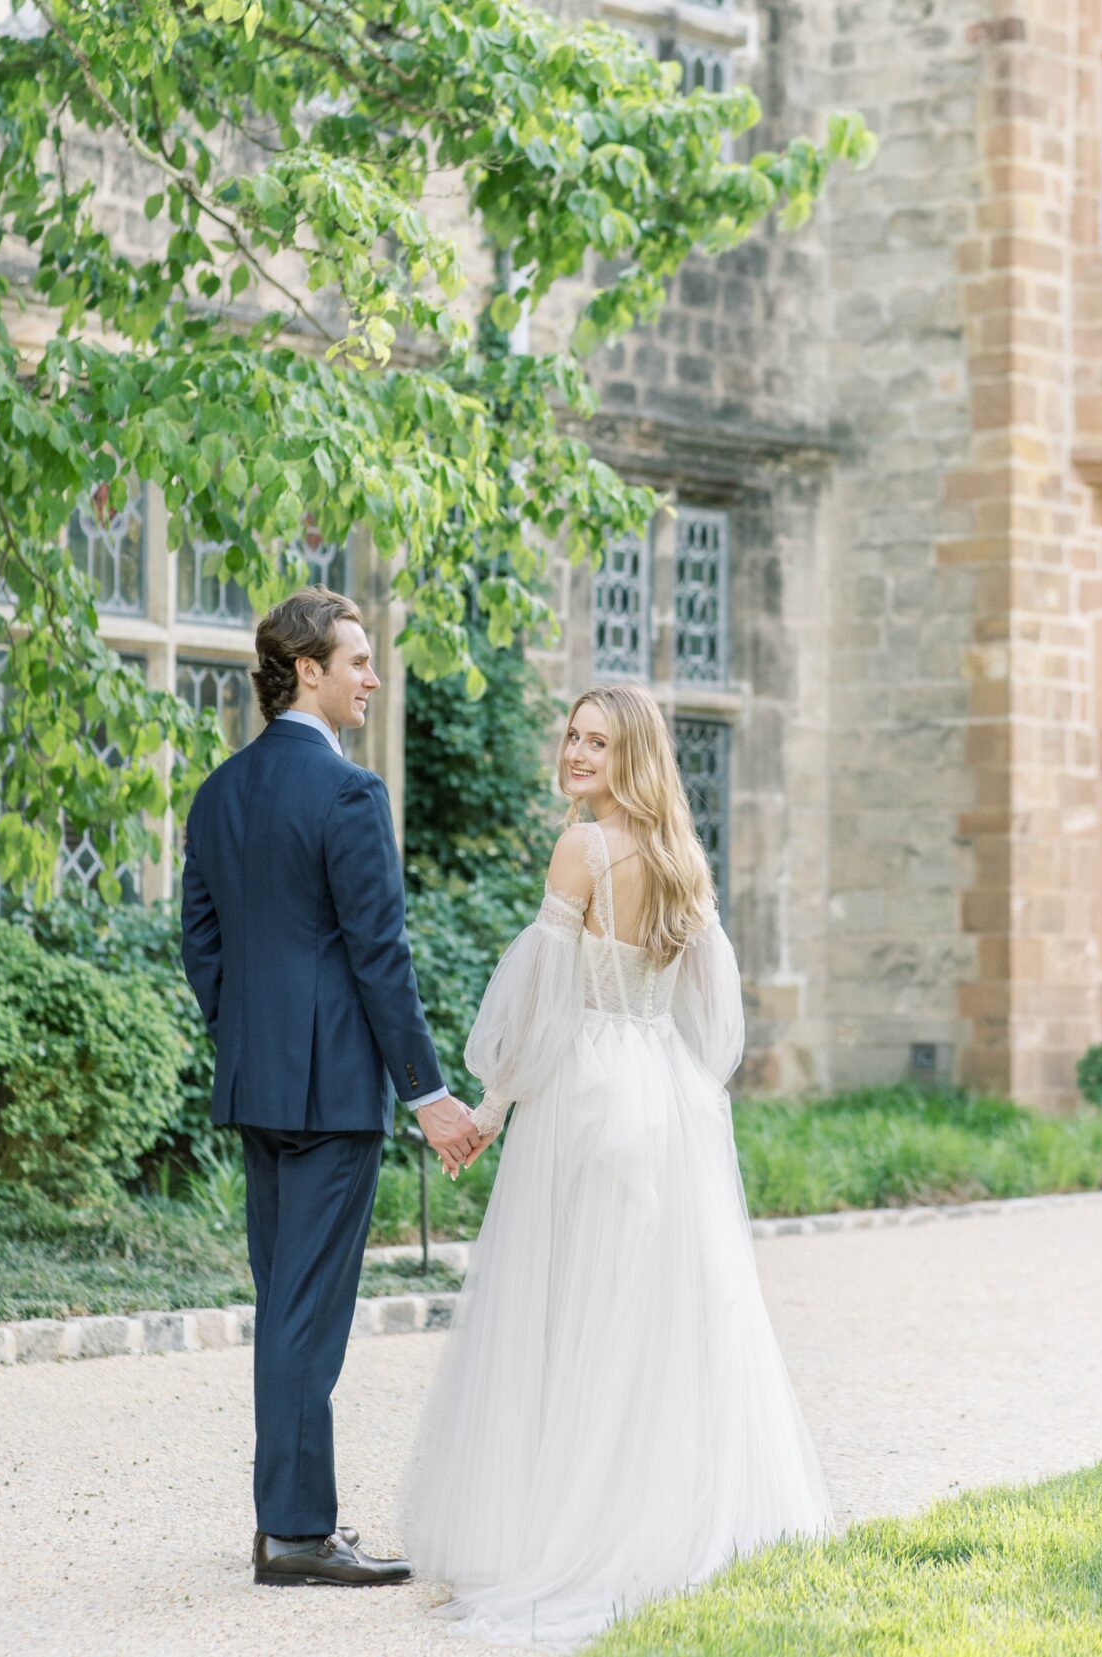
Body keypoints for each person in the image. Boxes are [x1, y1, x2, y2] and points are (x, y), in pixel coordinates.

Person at [401, 681, 829, 1644]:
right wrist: (673, 1074)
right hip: (663, 1090)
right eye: (571, 736)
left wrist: (491, 1108)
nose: (576, 752)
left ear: (632, 754)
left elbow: (547, 1001)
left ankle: (571, 1525)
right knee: (649, 1309)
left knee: (571, 1306)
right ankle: (654, 1511)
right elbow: (712, 1020)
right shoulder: (680, 855)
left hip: (587, 1089)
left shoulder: (583, 847)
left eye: (597, 741)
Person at [180, 586, 485, 1587]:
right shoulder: (352, 794)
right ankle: (302, 1532)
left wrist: (251, 1037)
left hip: (257, 1084)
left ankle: (283, 1524)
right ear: (306, 669)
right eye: (357, 658)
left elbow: (204, 946)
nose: (372, 675)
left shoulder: (217, 791)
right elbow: (379, 955)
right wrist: (428, 1091)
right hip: (334, 1093)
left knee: (285, 1305)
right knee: (306, 1313)